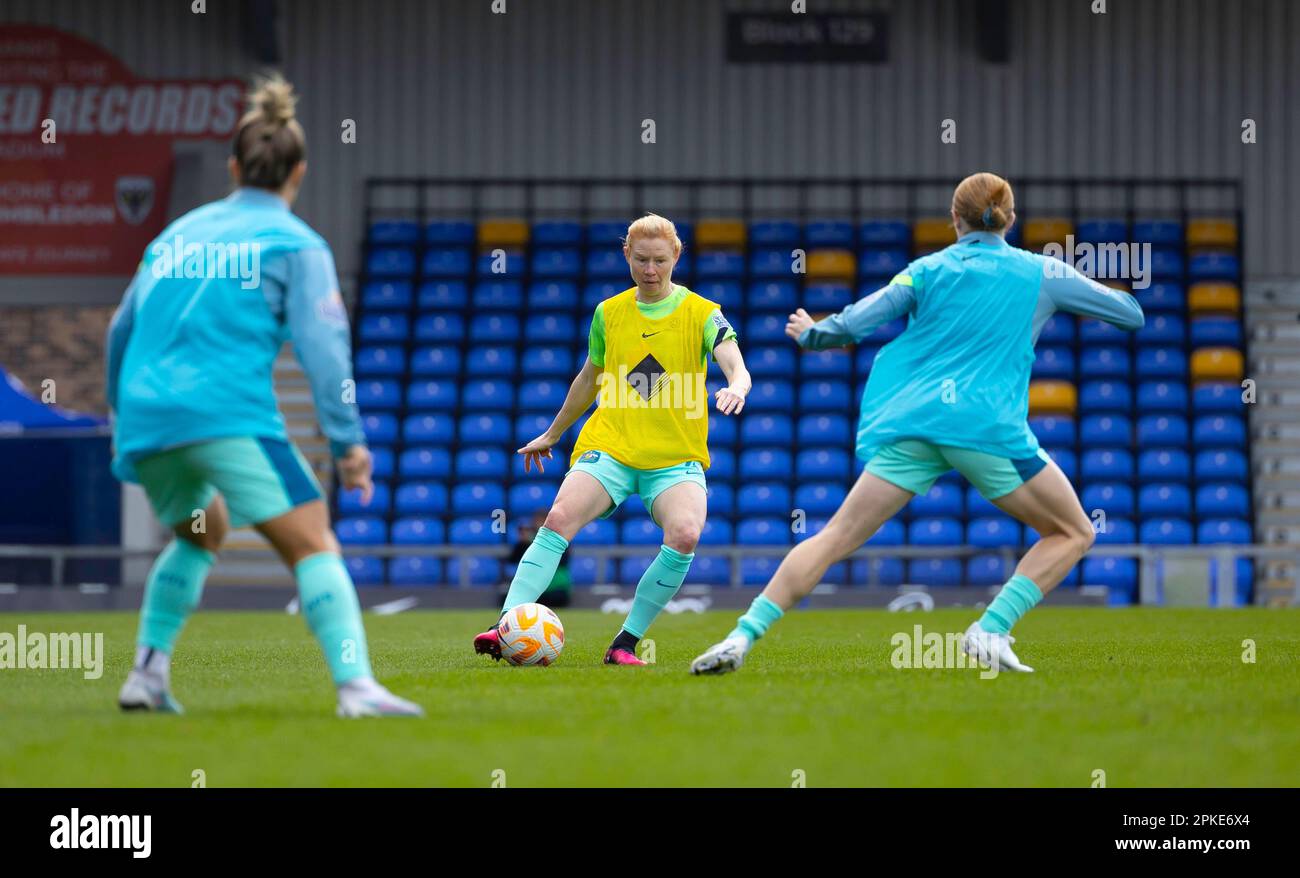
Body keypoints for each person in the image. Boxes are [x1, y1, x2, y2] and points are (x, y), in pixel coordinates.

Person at [691, 172, 1145, 676]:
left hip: (916, 424)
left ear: (954, 219)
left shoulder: (926, 270)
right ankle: (992, 628)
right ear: (1010, 219)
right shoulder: (1042, 272)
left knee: (835, 535)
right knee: (1074, 531)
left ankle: (742, 634)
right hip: (986, 430)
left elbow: (859, 320)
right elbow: (1130, 315)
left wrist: (813, 334)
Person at [106, 75, 421, 717]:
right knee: (313, 543)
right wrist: (349, 444)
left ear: (232, 168)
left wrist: (123, 422)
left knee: (201, 531)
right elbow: (326, 351)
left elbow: (119, 330)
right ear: (298, 172)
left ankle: (147, 674)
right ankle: (357, 688)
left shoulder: (174, 237)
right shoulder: (298, 244)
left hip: (147, 420)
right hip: (227, 415)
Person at [474, 213, 751, 665]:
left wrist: (737, 385)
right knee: (559, 517)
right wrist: (552, 433)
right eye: (640, 259)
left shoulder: (703, 313)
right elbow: (589, 378)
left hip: (673, 458)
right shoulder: (609, 312)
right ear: (627, 255)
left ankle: (623, 644)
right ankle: (503, 626)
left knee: (684, 534)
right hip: (611, 447)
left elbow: (734, 361)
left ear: (675, 256)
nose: (650, 270)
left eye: (660, 260)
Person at [501, 511, 572, 608]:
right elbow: (513, 560)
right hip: (532, 587)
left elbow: (561, 561)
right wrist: (523, 544)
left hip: (554, 588)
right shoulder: (527, 543)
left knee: (557, 599)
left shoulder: (560, 540)